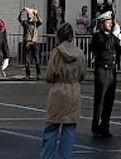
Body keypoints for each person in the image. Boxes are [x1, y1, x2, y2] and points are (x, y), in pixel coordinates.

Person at [40, 22, 84, 159]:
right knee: (69, 129)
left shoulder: (56, 53)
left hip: (58, 90)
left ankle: (46, 157)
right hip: (73, 90)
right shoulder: (79, 53)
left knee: (51, 128)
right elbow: (83, 74)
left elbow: (49, 75)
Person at [89, 10, 121, 137]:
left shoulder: (112, 36)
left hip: (112, 69)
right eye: (108, 22)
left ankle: (105, 126)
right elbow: (106, 46)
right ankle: (96, 126)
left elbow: (119, 49)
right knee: (100, 100)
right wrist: (114, 36)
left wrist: (120, 40)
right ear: (102, 23)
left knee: (109, 100)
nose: (110, 24)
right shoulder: (98, 36)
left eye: (111, 22)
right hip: (102, 70)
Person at [20, 7, 44, 80]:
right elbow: (19, 19)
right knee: (27, 60)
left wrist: (36, 14)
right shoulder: (25, 23)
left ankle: (38, 74)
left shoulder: (35, 23)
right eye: (28, 14)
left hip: (34, 43)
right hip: (27, 43)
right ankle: (28, 75)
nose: (28, 15)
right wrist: (22, 12)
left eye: (30, 14)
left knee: (37, 60)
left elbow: (41, 21)